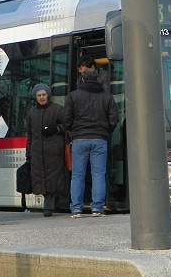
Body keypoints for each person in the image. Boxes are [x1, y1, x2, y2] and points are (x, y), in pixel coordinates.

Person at [63, 68, 119, 218]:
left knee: (77, 175)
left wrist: (72, 129)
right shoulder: (107, 97)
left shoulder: (73, 96)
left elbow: (66, 118)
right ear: (97, 80)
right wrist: (106, 130)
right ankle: (97, 208)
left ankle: (76, 209)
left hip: (79, 139)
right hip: (100, 139)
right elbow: (114, 118)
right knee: (98, 175)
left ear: (82, 79)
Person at [25, 83, 67, 217]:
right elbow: (29, 134)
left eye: (44, 95)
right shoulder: (32, 112)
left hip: (54, 151)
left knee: (53, 179)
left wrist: (56, 129)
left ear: (48, 95)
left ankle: (48, 207)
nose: (42, 97)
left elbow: (67, 126)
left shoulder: (58, 109)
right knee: (41, 179)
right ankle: (50, 204)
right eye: (39, 95)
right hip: (37, 151)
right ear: (35, 97)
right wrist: (29, 153)